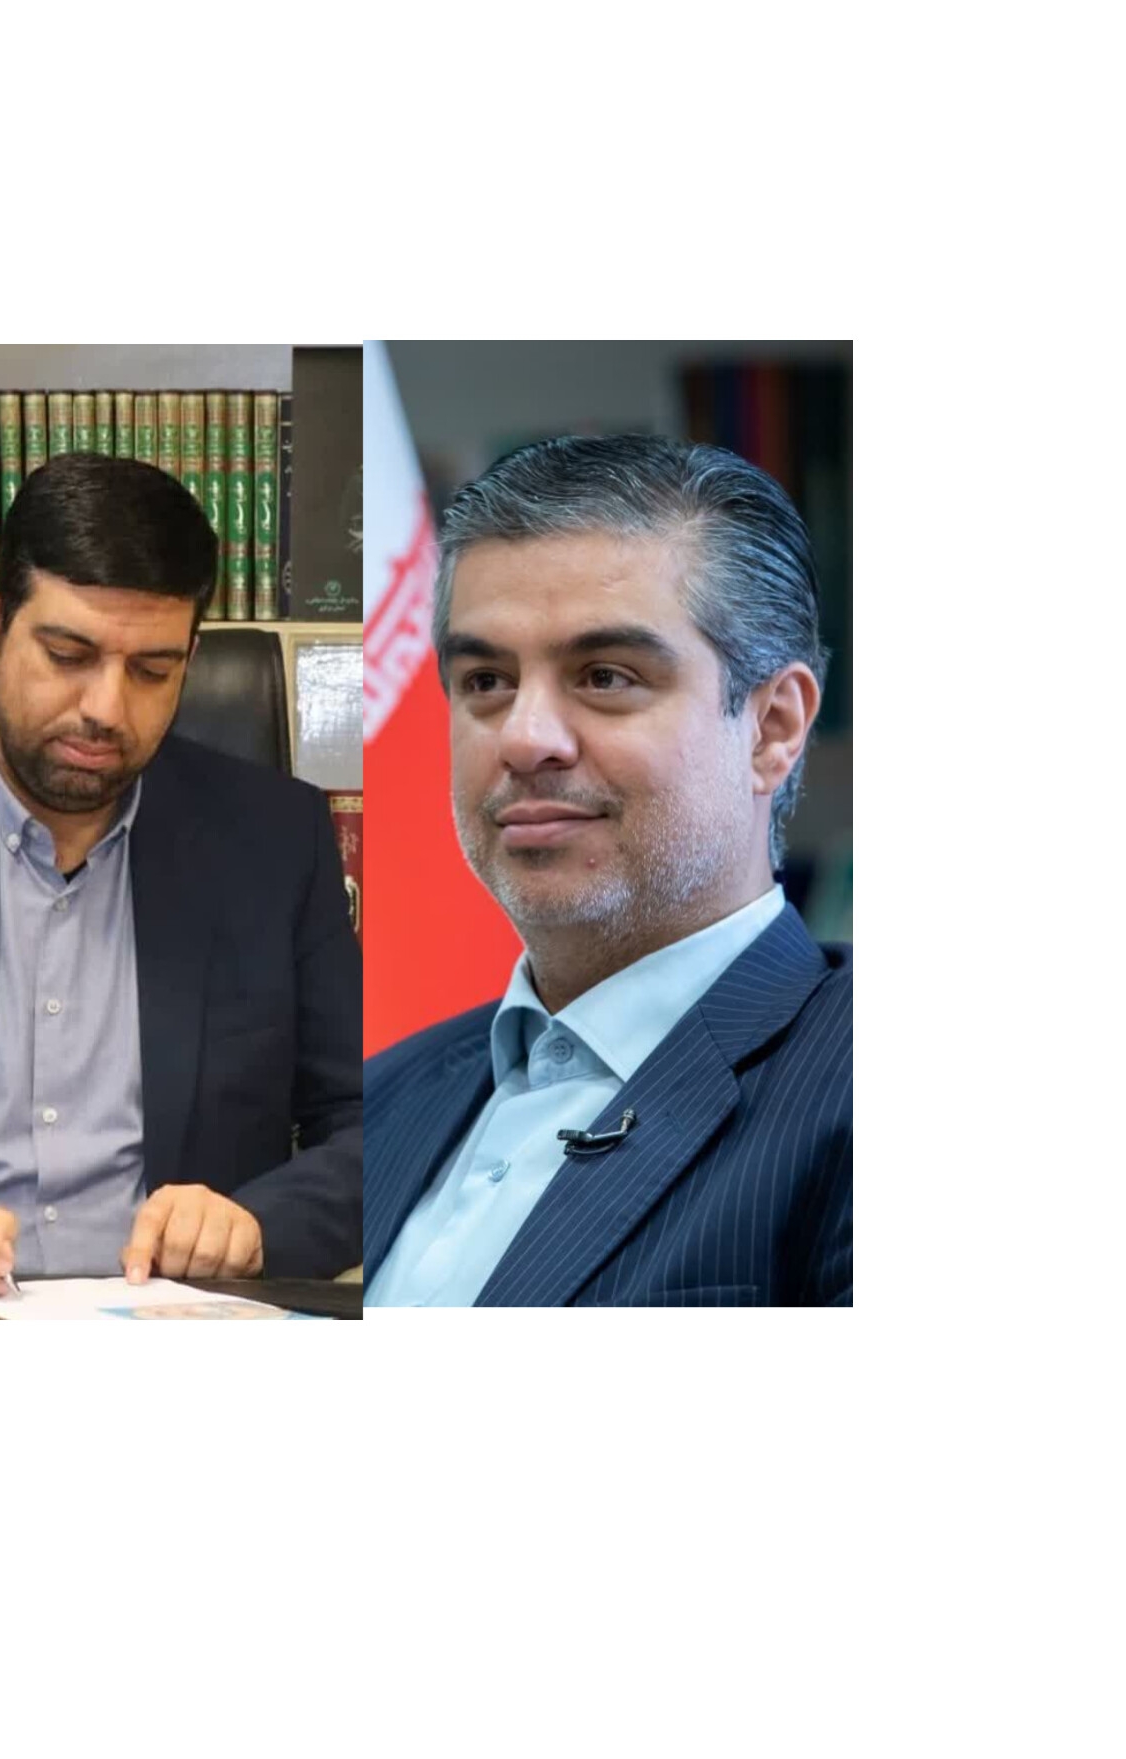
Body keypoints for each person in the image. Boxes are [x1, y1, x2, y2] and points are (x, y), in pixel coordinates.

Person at [364, 435, 850, 1307]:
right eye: (486, 680)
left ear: (772, 728)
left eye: (605, 676)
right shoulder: (384, 1096)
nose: (523, 738)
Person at [0, 453, 362, 1298]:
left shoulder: (275, 841)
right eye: (69, 655)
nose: (106, 708)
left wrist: (257, 1225)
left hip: (176, 1323)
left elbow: (376, 1122)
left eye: (152, 671)